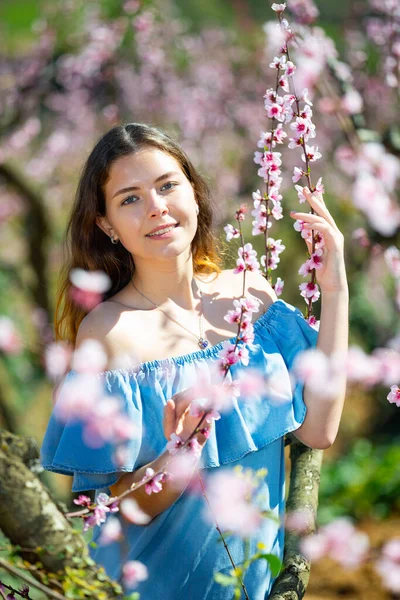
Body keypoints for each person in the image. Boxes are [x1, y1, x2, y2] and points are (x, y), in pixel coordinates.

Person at [41, 123, 349, 599]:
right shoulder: (107, 333)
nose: (156, 207)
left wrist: (335, 289)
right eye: (129, 199)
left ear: (194, 191)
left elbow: (319, 431)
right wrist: (178, 455)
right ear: (106, 225)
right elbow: (106, 508)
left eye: (167, 185)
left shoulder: (253, 299)